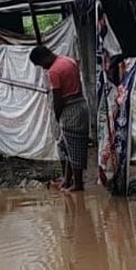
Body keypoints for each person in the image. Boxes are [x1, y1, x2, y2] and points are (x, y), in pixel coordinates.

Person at [30, 45, 89, 192]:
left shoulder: (54, 71)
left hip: (69, 110)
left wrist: (57, 115)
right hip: (81, 105)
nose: (43, 68)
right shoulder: (69, 61)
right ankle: (68, 180)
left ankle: (78, 184)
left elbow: (58, 98)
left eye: (40, 64)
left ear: (44, 58)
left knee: (74, 147)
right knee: (66, 145)